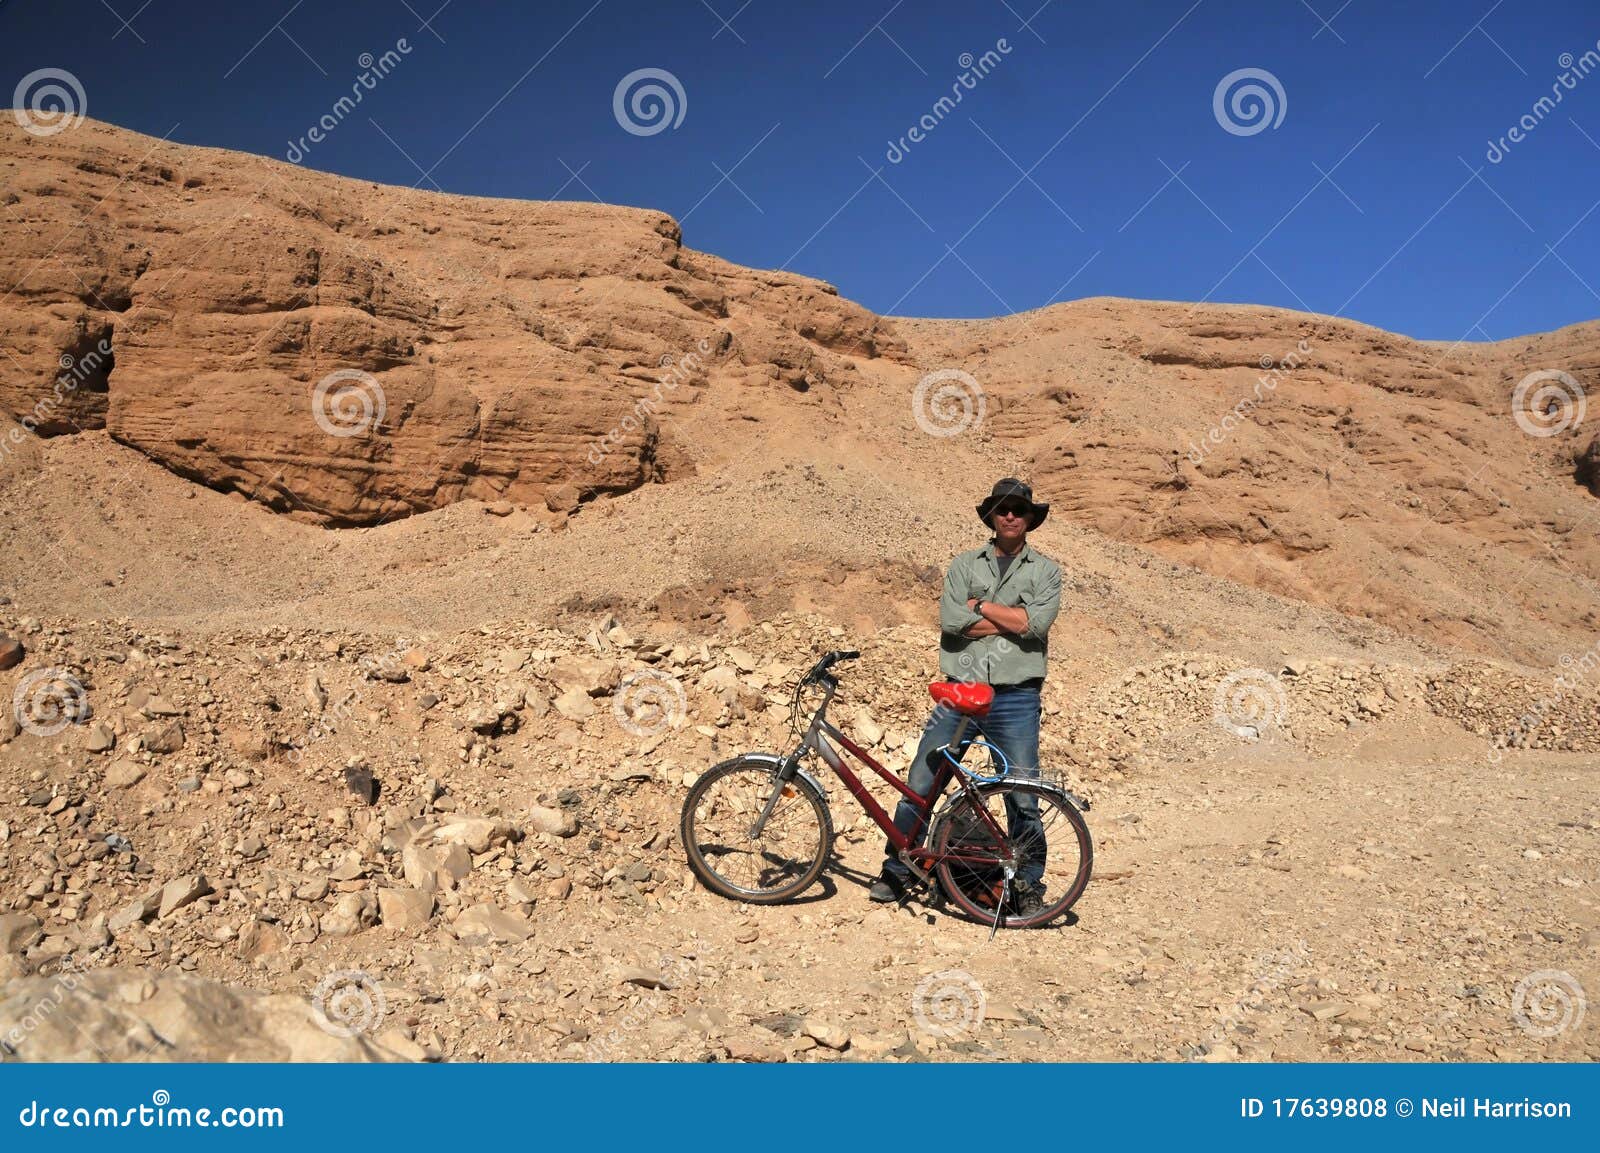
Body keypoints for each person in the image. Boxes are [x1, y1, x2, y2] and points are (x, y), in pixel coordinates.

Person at [870, 478, 1062, 914]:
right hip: (958, 692)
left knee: (1023, 795)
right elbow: (950, 620)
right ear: (991, 517)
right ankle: (898, 872)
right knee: (921, 783)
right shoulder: (962, 565)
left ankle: (1028, 884)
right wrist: (1011, 618)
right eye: (1002, 509)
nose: (1010, 515)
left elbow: (1036, 625)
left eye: (1018, 509)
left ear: (1030, 518)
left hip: (1015, 698)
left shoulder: (1046, 571)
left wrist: (980, 607)